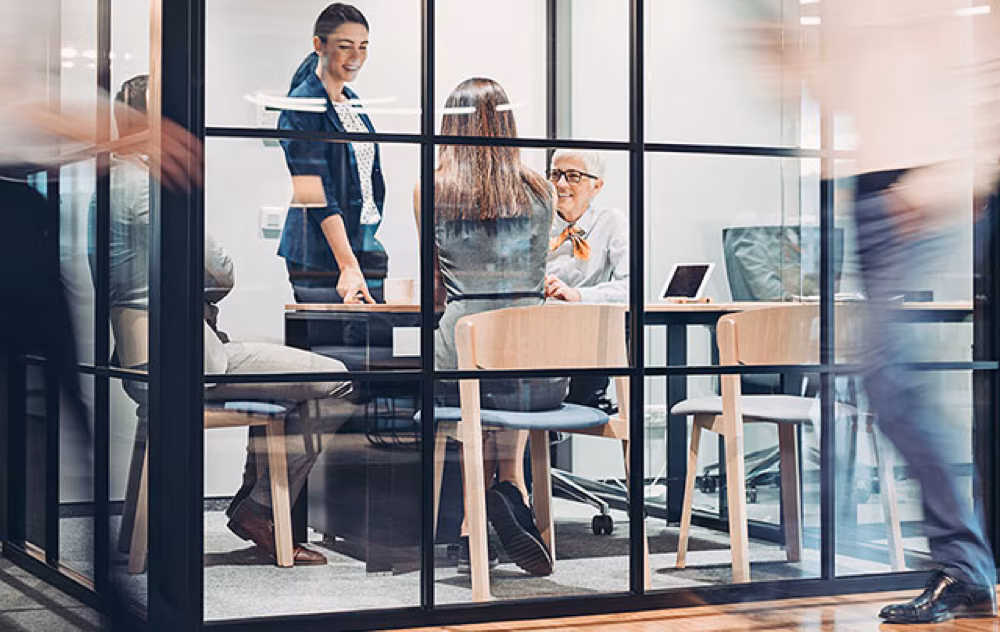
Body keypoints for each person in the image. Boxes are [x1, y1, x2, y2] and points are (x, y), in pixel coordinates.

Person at [752, 1, 1000, 623]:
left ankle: (965, 568)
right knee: (885, 383)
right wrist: (787, 61)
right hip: (870, 188)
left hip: (920, 186)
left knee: (890, 379)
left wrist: (939, 186)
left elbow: (986, 76)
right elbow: (844, 91)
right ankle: (963, 565)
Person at [90, 75, 354, 567]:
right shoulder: (152, 187)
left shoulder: (105, 186)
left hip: (138, 358)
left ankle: (252, 506)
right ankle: (256, 507)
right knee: (335, 379)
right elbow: (222, 271)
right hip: (189, 358)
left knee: (282, 385)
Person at [413, 77, 558, 576]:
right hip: (539, 370)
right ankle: (512, 486)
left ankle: (472, 523)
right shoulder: (541, 187)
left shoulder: (430, 188)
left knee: (472, 382)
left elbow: (435, 288)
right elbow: (534, 274)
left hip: (463, 356)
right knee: (510, 364)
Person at [278, 3, 387, 308]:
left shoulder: (352, 102)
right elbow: (315, 190)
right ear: (319, 45)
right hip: (322, 254)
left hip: (361, 245)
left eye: (363, 47)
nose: (356, 57)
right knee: (334, 354)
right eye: (345, 46)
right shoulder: (303, 105)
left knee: (371, 348)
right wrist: (347, 265)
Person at [544, 149, 628, 409]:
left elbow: (631, 286)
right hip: (539, 336)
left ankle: (580, 404)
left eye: (573, 176)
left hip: (587, 339)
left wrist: (578, 295)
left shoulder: (611, 221)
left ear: (596, 186)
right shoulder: (536, 221)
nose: (560, 184)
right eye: (555, 175)